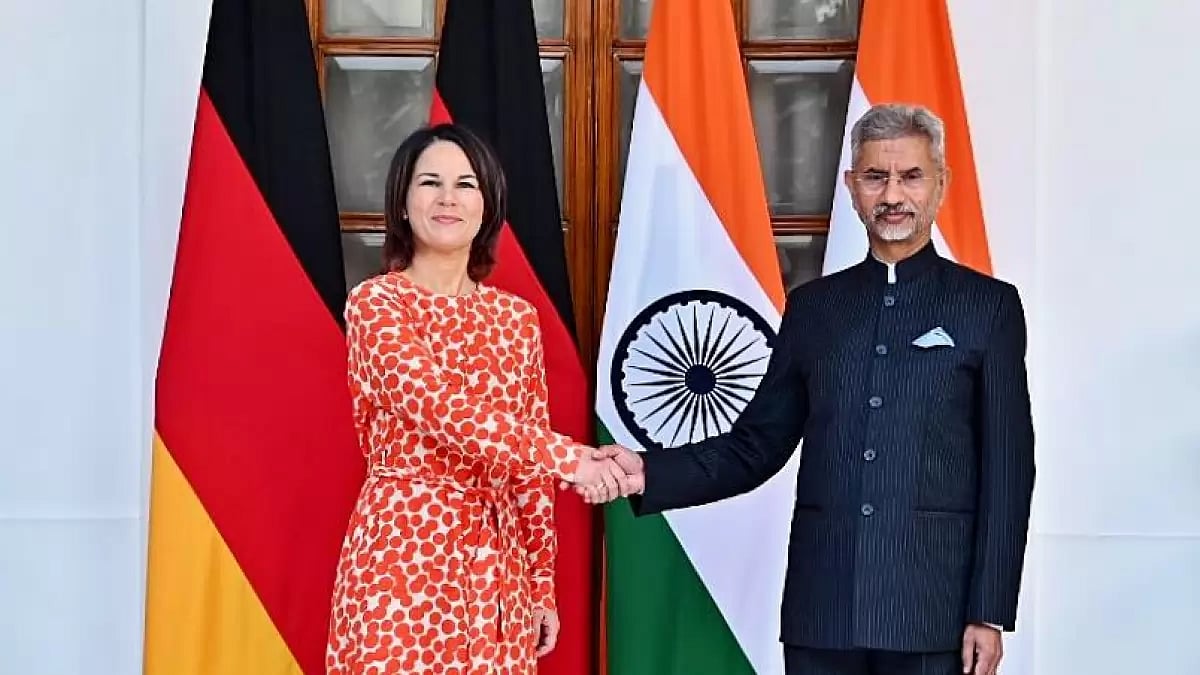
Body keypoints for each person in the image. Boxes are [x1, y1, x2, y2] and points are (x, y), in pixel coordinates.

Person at [588, 103, 1035, 675]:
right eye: (875, 177)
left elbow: (1008, 470)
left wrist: (989, 611)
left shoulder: (988, 307)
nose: (892, 194)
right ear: (852, 188)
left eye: (911, 176)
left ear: (940, 184)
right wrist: (649, 471)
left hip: (934, 611)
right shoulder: (814, 309)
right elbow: (756, 445)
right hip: (822, 610)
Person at [325, 123, 627, 674]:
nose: (447, 198)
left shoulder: (515, 319)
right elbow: (439, 408)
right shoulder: (376, 304)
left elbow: (526, 470)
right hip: (402, 554)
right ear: (402, 200)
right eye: (429, 182)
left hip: (498, 562)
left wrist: (540, 585)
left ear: (487, 205)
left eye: (465, 184)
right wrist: (574, 458)